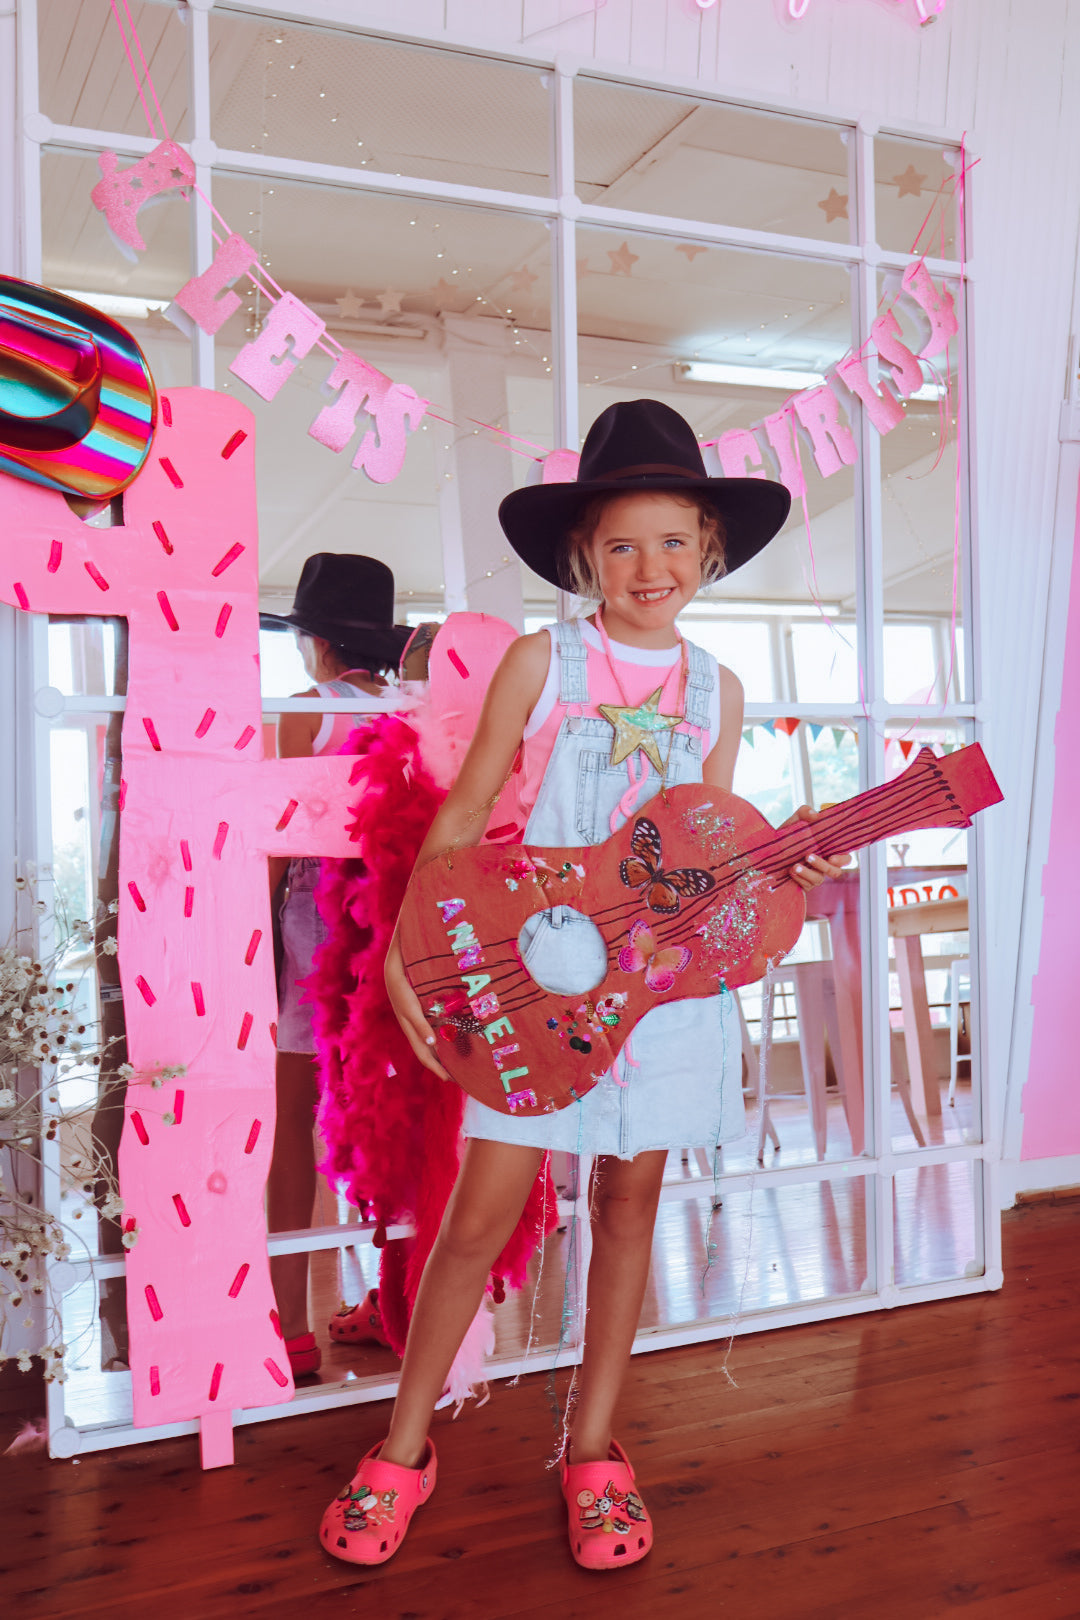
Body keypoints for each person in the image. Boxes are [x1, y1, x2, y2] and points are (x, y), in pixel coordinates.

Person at [319, 401, 851, 1569]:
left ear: (709, 551)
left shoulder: (719, 689)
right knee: (479, 1217)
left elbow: (704, 852)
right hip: (538, 979)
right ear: (582, 557)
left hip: (661, 1003)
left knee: (628, 1211)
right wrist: (411, 954)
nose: (648, 568)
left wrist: (783, 860)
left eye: (672, 542)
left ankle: (595, 1447)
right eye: (621, 544)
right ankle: (404, 1447)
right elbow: (461, 821)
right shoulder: (540, 662)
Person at [262, 553, 410, 1379]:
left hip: (317, 918)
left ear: (315, 643)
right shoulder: (416, 713)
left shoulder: (307, 710)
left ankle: (289, 1325)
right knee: (387, 1117)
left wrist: (255, 943)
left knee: (294, 1120)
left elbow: (282, 847)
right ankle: (396, 1302)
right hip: (395, 915)